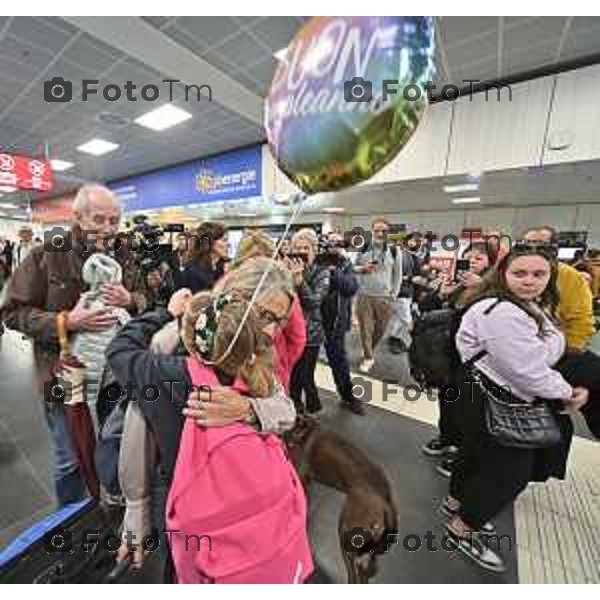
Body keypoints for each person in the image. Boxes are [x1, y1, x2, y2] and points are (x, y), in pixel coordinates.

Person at [106, 258, 312, 582]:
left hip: (210, 511)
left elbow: (285, 410)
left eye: (279, 321)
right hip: (186, 495)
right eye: (265, 316)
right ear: (234, 298)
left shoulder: (249, 359)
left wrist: (248, 409)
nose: (272, 331)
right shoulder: (181, 354)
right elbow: (139, 430)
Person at [443, 244, 588, 572]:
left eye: (539, 274)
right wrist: (566, 391)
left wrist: (545, 346)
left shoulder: (523, 306)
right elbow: (529, 369)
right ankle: (462, 527)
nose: (529, 281)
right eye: (519, 273)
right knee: (511, 473)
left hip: (478, 389)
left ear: (551, 276)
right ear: (503, 274)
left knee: (476, 452)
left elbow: (545, 347)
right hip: (488, 394)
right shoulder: (504, 312)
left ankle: (455, 503)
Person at [0, 184, 145, 506]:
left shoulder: (123, 253)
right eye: (99, 219)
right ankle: (70, 526)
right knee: (71, 459)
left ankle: (113, 503)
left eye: (114, 220)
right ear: (78, 217)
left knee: (114, 441)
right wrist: (66, 322)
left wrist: (131, 299)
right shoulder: (47, 253)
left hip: (114, 372)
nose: (108, 229)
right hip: (63, 375)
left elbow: (145, 300)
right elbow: (12, 313)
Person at [422, 241, 494, 473]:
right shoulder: (460, 284)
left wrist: (482, 286)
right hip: (449, 354)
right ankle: (447, 437)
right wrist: (443, 293)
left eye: (480, 258)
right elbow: (431, 307)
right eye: (469, 258)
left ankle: (464, 453)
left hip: (475, 360)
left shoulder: (495, 289)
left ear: (491, 263)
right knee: (448, 398)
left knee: (468, 407)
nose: (473, 262)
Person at [233, 229, 306, 391]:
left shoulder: (283, 290)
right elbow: (297, 338)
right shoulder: (229, 285)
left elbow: (297, 337)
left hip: (268, 369)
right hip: (243, 368)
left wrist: (282, 361)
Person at [521, 226, 595, 352]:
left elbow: (581, 319)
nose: (532, 250)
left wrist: (570, 349)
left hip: (555, 347)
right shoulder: (510, 271)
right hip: (518, 343)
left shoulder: (570, 276)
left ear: (553, 248)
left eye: (541, 246)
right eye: (526, 245)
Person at [320, 231, 364, 415]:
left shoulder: (345, 265)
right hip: (313, 320)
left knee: (339, 361)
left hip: (335, 322)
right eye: (331, 243)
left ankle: (348, 396)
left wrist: (334, 271)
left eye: (339, 244)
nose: (335, 247)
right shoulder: (317, 262)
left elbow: (351, 288)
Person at [287, 228, 331, 414]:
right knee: (292, 375)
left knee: (306, 376)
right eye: (298, 247)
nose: (302, 252)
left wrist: (299, 281)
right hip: (289, 331)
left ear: (314, 250)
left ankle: (313, 407)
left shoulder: (322, 272)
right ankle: (296, 407)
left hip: (310, 334)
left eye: (306, 247)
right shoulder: (287, 267)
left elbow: (314, 301)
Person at [353, 217, 402, 371]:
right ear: (372, 231)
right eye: (377, 230)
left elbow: (397, 275)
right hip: (364, 295)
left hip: (384, 297)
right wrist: (362, 269)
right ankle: (368, 357)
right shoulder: (364, 247)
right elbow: (352, 268)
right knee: (365, 329)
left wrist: (394, 295)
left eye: (383, 230)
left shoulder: (395, 250)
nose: (380, 233)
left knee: (381, 329)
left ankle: (369, 348)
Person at [177, 221, 229, 293]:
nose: (228, 244)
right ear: (210, 242)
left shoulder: (227, 265)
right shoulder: (192, 269)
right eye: (224, 240)